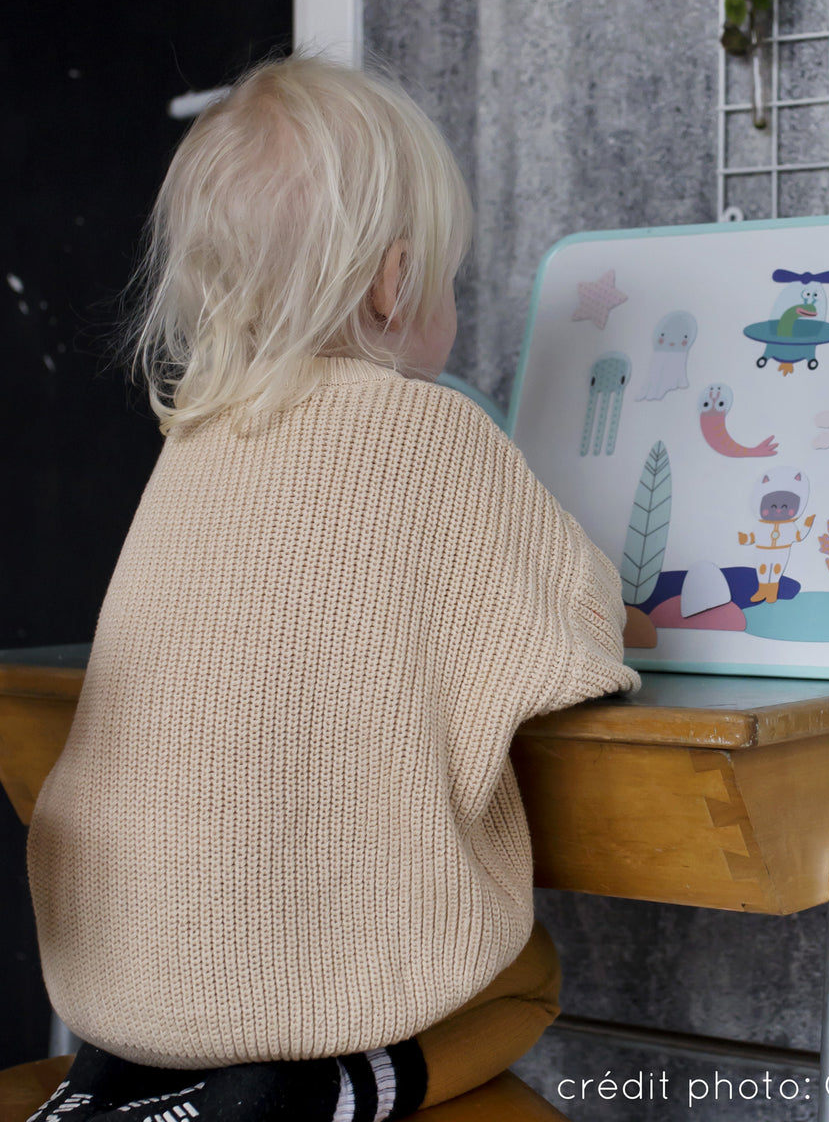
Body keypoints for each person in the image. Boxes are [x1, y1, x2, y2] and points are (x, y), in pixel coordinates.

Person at [26, 55, 639, 1121]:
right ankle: (330, 1088)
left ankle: (158, 1087)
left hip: (113, 979)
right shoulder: (433, 429)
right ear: (395, 284)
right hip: (320, 989)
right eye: (447, 277)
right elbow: (584, 639)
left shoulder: (194, 439)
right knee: (528, 979)